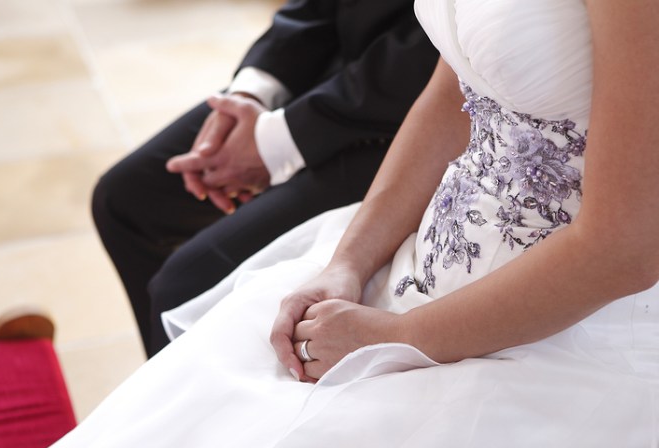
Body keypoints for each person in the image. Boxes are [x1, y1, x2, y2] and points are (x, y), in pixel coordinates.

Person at [0, 0, 659, 448]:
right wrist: (350, 260)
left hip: (576, 338)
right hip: (420, 267)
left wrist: (393, 339)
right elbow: (455, 88)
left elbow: (622, 249)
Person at [91, 0, 438, 357]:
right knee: (123, 200)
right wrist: (249, 95)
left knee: (183, 286)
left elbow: (426, 61)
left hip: (401, 134)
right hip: (328, 68)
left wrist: (274, 143)